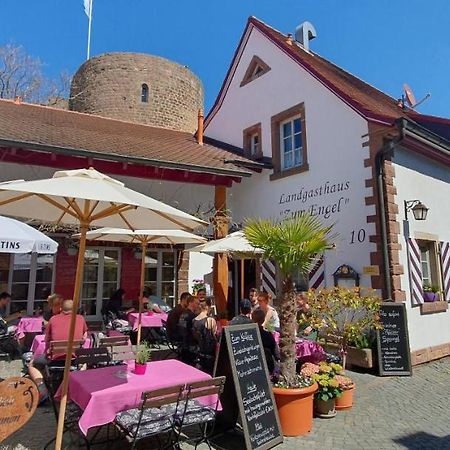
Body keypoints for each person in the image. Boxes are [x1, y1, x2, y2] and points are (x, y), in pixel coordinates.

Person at [192, 298, 217, 374]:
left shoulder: (194, 320)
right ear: (207, 307)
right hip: (209, 356)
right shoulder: (210, 320)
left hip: (199, 354)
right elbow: (215, 336)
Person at [252, 308, 279, 373]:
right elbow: (275, 351)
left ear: (252, 319)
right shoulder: (267, 334)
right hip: (267, 365)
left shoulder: (250, 334)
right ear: (264, 319)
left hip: (253, 366)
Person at [178, 296, 200, 364]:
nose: (198, 306)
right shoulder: (192, 316)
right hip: (191, 345)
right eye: (197, 303)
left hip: (182, 343)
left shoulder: (183, 314)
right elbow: (195, 332)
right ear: (191, 303)